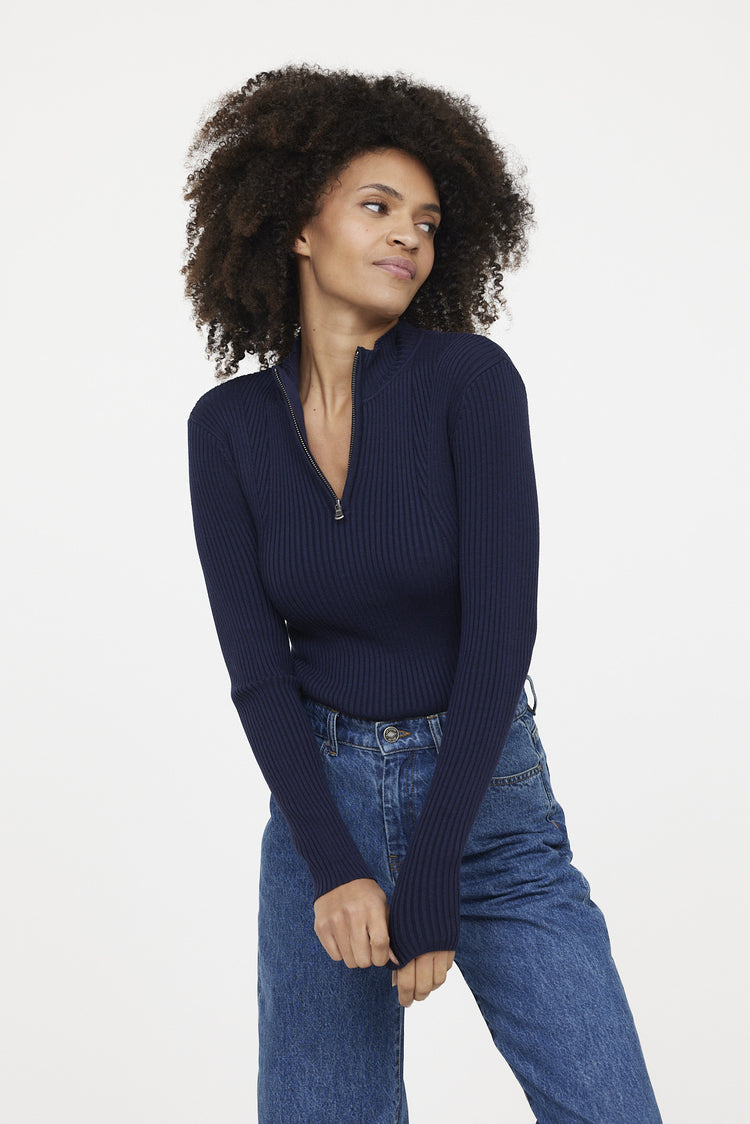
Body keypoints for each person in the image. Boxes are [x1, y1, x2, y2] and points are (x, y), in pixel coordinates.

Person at [183, 64, 662, 1124]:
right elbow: (258, 670)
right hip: (321, 807)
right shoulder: (227, 430)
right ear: (295, 226)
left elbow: (501, 630)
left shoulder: (470, 383)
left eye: (429, 221)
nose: (409, 233)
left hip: (486, 794)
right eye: (377, 206)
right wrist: (334, 864)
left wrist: (437, 860)